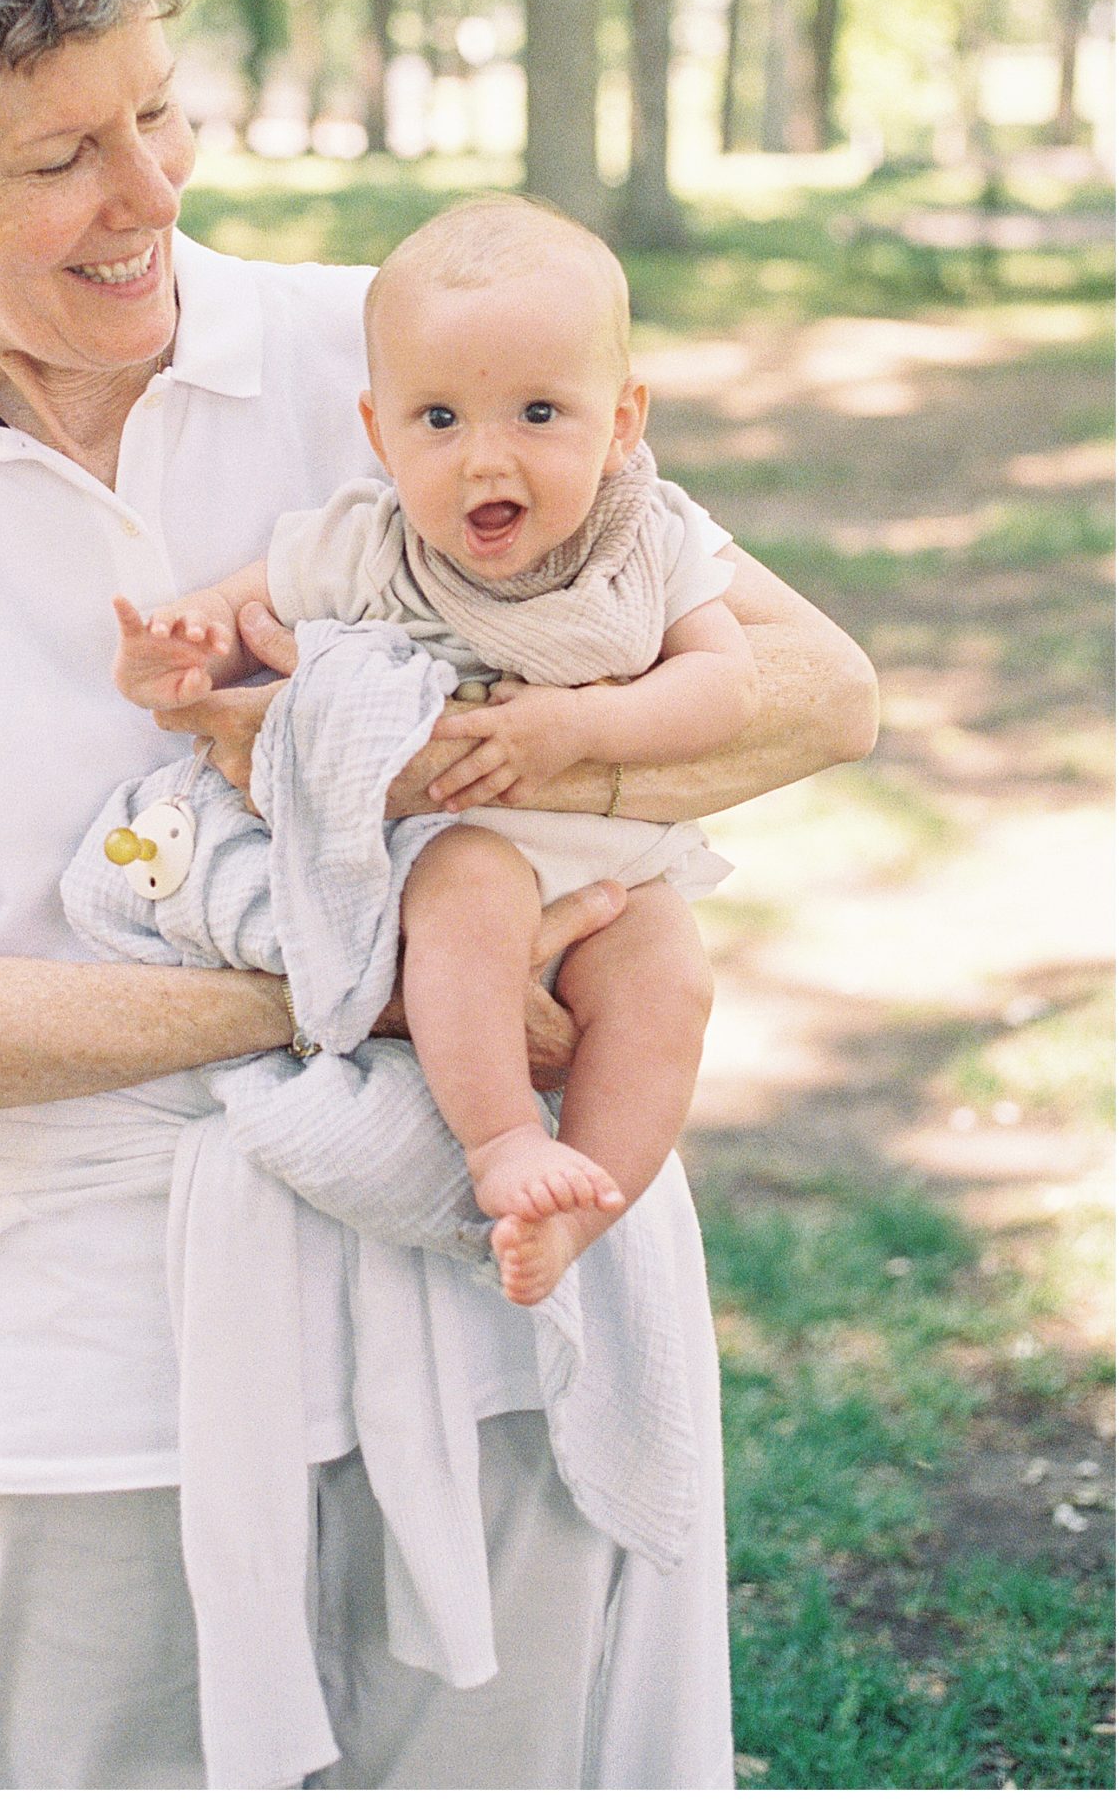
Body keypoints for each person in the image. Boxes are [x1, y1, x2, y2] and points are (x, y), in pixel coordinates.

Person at [0, 0, 879, 1790]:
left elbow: (817, 687)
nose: (146, 189)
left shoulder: (392, 347)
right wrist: (372, 984)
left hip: (487, 1269)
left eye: (159, 111)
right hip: (91, 1341)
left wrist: (533, 786)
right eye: (62, 154)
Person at [110, 194, 756, 1308]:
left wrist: (581, 726)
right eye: (440, 420)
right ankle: (503, 1140)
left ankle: (588, 1209)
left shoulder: (651, 536)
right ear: (379, 432)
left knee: (669, 984)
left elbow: (728, 682)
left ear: (622, 421)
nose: (483, 458)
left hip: (617, 861)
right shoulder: (371, 543)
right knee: (465, 895)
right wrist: (182, 649)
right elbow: (235, 604)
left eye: (540, 412)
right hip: (468, 839)